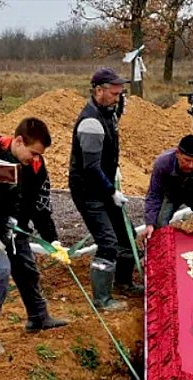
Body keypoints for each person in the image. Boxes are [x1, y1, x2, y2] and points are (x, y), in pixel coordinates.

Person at [0, 117, 69, 360]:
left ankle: (38, 316)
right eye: (32, 152)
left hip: (17, 230)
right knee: (0, 271)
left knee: (27, 269)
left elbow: (41, 206)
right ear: (18, 141)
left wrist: (53, 240)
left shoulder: (36, 167)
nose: (35, 158)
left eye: (39, 154)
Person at [68, 67, 141, 312]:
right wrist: (111, 190)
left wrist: (113, 172)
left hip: (103, 185)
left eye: (120, 93)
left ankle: (123, 282)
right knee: (108, 242)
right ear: (98, 91)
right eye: (113, 93)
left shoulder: (108, 112)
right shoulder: (90, 123)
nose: (118, 97)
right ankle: (102, 299)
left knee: (127, 235)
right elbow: (90, 168)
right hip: (89, 191)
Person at [143, 134, 193, 240]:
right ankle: (162, 248)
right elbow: (154, 194)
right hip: (171, 195)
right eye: (186, 160)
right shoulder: (163, 164)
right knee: (160, 223)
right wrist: (150, 223)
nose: (191, 165)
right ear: (177, 153)